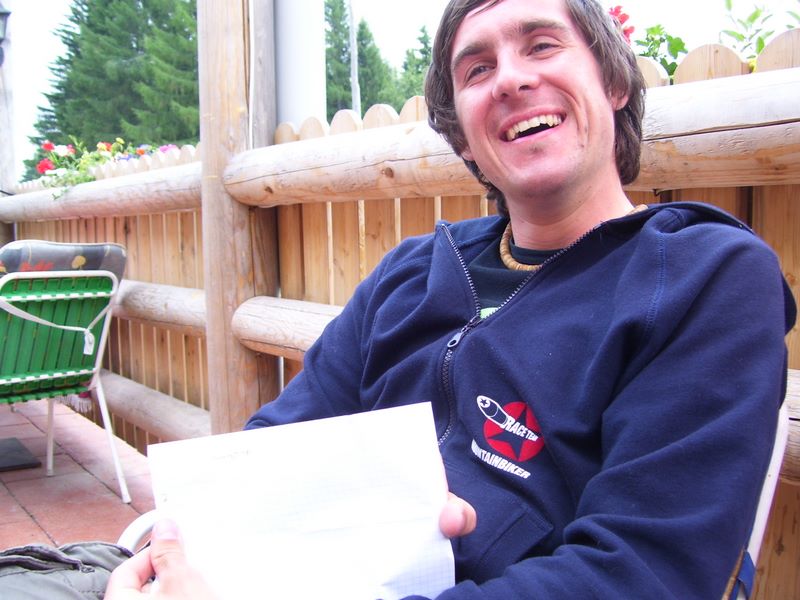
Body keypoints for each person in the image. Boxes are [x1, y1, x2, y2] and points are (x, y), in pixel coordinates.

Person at [108, 0, 796, 598]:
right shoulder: (410, 273)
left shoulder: (706, 278)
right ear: (462, 136)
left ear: (613, 81)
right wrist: (171, 549)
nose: (512, 79)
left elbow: (645, 572)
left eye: (542, 45)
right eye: (477, 69)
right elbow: (277, 447)